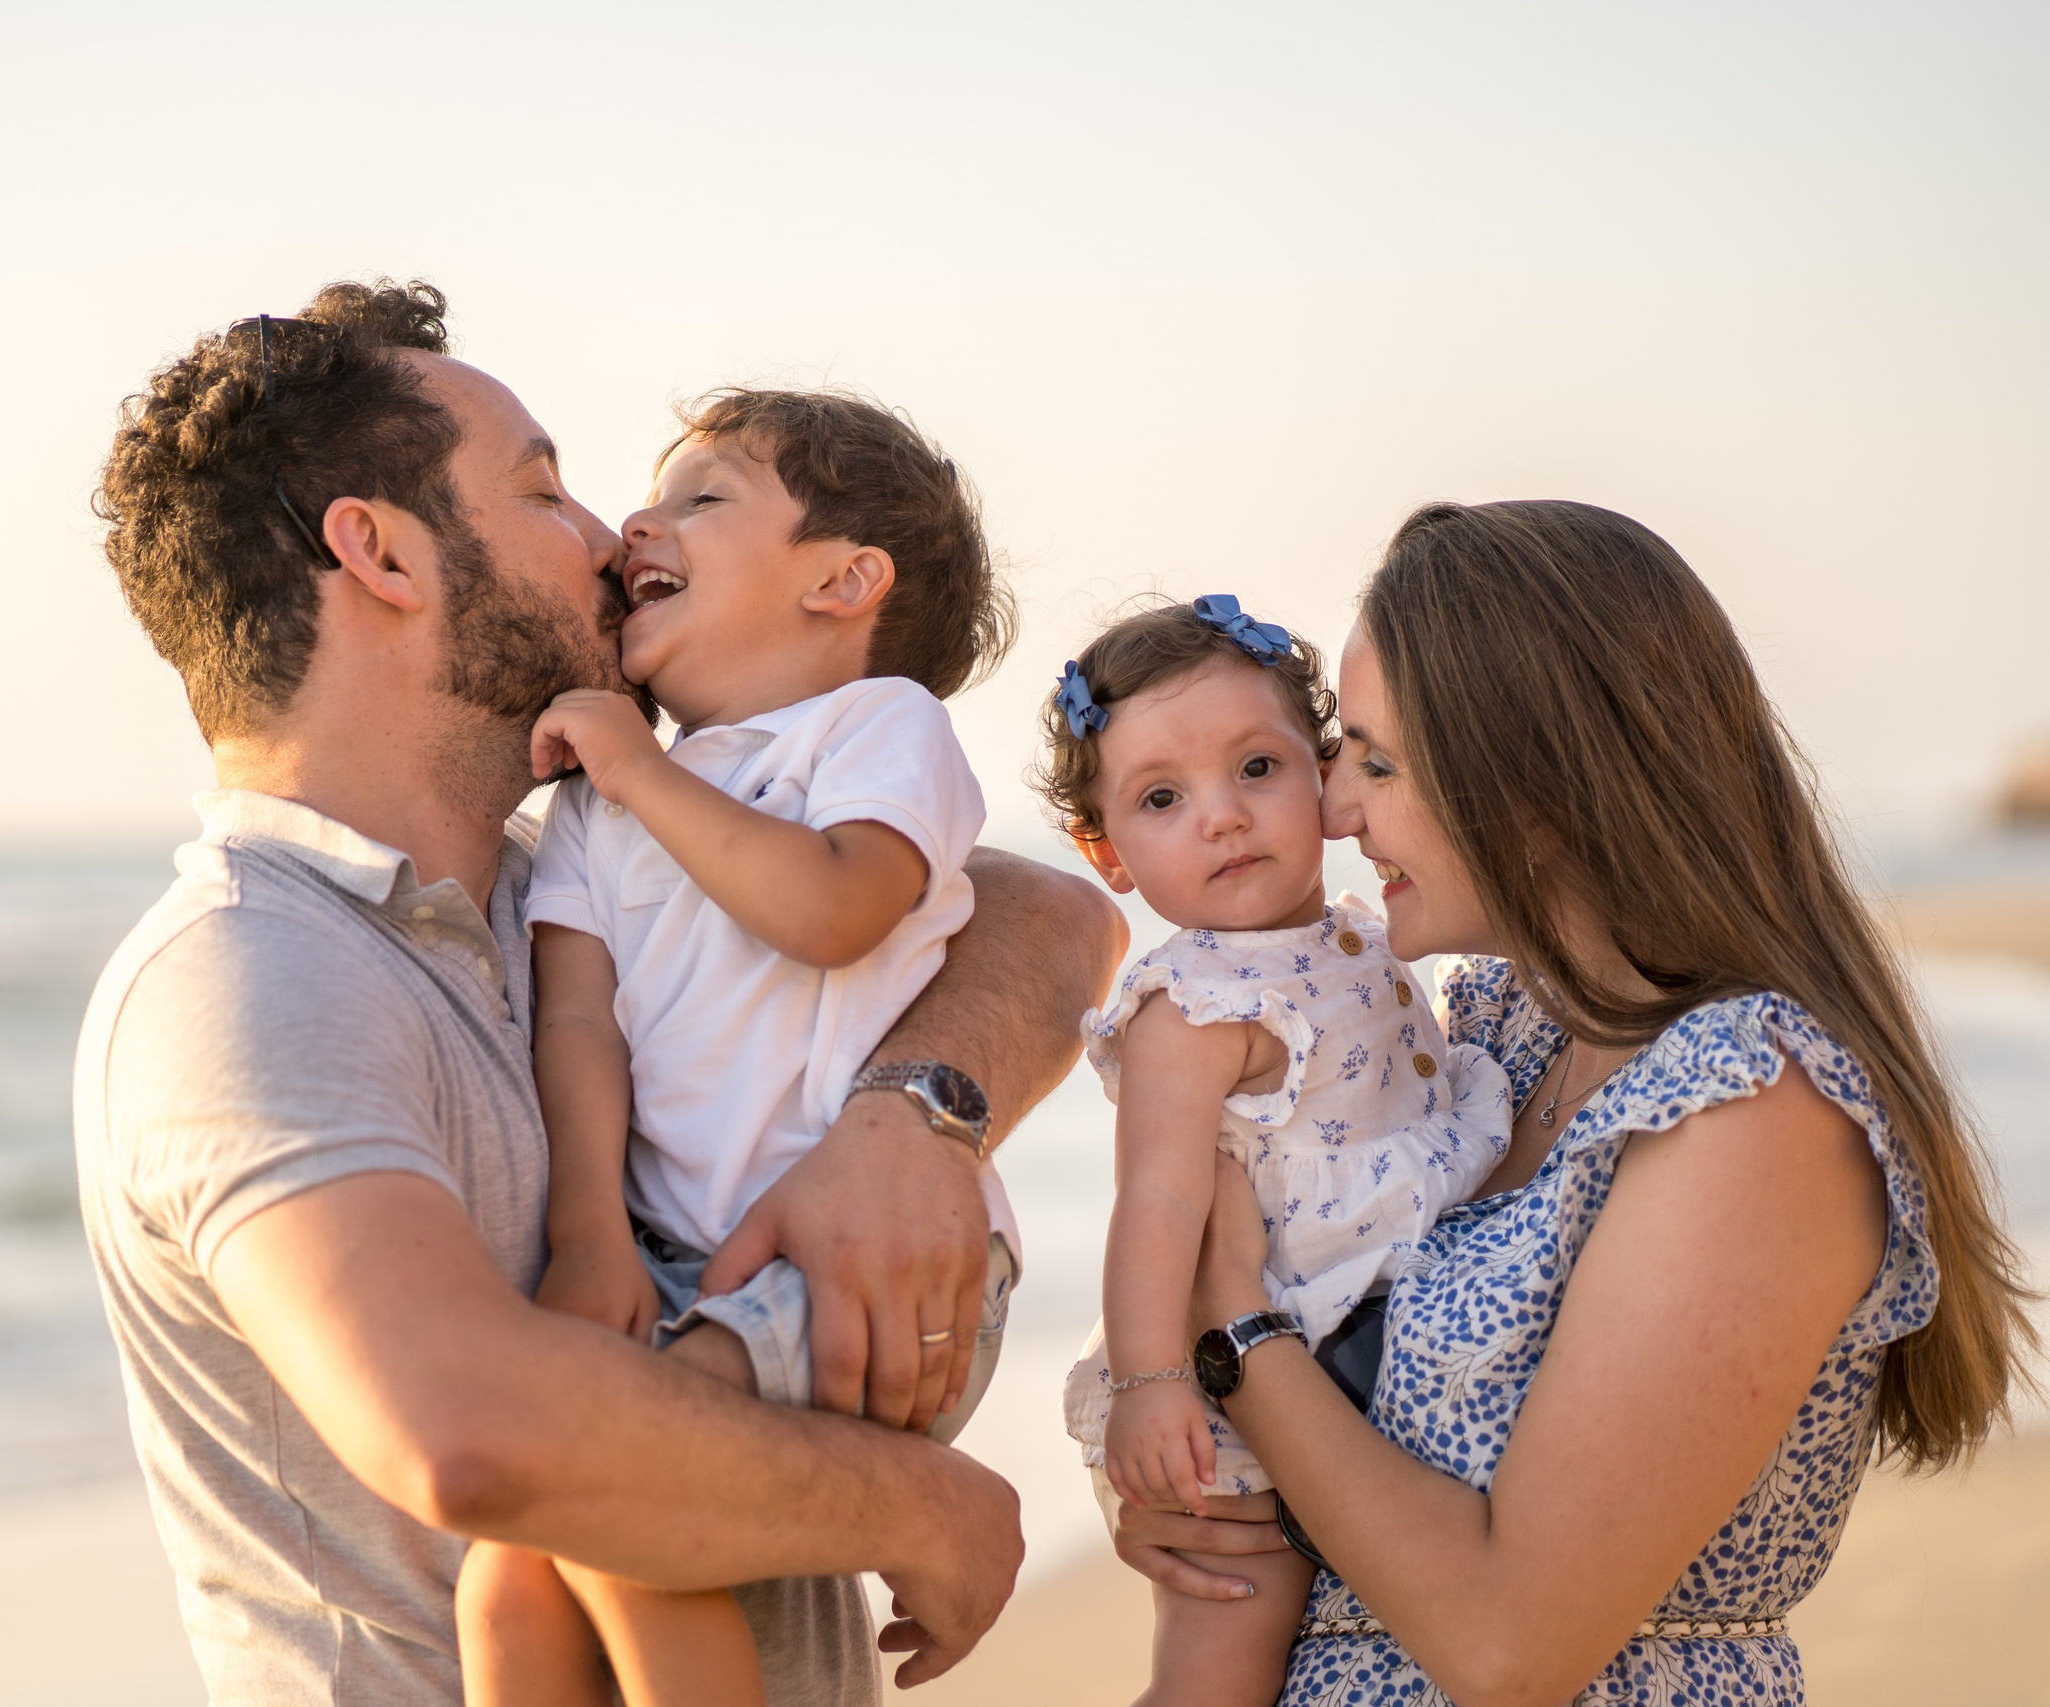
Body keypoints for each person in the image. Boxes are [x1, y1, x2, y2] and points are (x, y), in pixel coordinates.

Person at [75, 279, 1127, 1705]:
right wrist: (922, 1507)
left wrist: (905, 1120)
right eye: (543, 490)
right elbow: (464, 1435)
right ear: (381, 551)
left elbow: (1053, 918)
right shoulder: (247, 975)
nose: (604, 536)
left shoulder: (577, 861)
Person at [1129, 499, 2036, 1706]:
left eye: (1378, 765)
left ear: (1540, 796)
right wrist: (1217, 1510)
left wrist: (1232, 1332)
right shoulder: (1495, 1037)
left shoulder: (1751, 1106)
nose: (1336, 809)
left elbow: (1508, 1645)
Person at [454, 389, 1023, 1707]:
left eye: (703, 498)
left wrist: (642, 773)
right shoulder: (594, 802)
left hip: (867, 1269)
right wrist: (589, 1234)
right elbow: (577, 1022)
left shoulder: (877, 727)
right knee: (509, 1574)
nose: (636, 523)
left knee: (624, 1503)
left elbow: (834, 908)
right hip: (670, 1258)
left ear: (842, 581)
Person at [1031, 595, 1512, 1706]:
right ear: (1105, 851)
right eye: (1162, 798)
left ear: (1325, 774)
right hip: (1233, 1392)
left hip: (1348, 1333)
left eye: (1256, 768)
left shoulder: (1361, 931)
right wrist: (1152, 1384)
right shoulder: (1193, 1006)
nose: (1223, 818)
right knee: (1228, 1656)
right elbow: (1155, 1206)